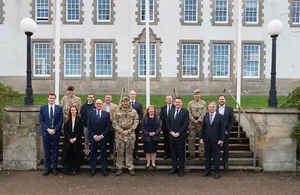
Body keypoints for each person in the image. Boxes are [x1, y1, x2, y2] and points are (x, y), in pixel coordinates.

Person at [113, 95, 139, 176]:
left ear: (129, 102)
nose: (125, 103)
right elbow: (114, 122)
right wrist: (121, 130)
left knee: (129, 151)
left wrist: (129, 131)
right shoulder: (117, 111)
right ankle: (119, 167)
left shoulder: (133, 111)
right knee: (120, 151)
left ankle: (130, 167)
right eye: (124, 101)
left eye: (126, 101)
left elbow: (136, 122)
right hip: (120, 135)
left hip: (130, 134)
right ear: (122, 102)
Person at [39, 93, 63, 176]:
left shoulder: (59, 108)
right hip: (46, 132)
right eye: (50, 98)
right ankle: (47, 168)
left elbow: (61, 120)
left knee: (55, 151)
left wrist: (55, 129)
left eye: (53, 98)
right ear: (47, 98)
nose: (52, 99)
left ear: (55, 99)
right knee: (47, 151)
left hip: (55, 132)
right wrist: (48, 129)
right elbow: (41, 120)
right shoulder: (43, 108)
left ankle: (54, 167)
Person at [200, 102, 225, 179]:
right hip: (207, 140)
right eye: (210, 107)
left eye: (213, 107)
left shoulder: (220, 117)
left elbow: (222, 129)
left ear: (215, 108)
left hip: (216, 140)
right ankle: (207, 170)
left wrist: (221, 139)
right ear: (208, 108)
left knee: (216, 157)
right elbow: (203, 129)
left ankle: (217, 172)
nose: (211, 108)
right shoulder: (205, 117)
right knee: (207, 156)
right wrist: (201, 138)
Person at [166, 97, 189, 177]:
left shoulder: (185, 112)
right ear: (174, 103)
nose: (177, 103)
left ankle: (181, 169)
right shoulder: (171, 111)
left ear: (181, 103)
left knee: (181, 153)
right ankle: (174, 167)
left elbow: (185, 124)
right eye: (176, 102)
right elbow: (167, 123)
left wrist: (179, 132)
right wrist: (171, 131)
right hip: (172, 135)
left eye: (179, 102)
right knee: (173, 152)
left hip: (181, 136)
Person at [88, 99, 111, 176]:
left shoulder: (106, 114)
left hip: (103, 137)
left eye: (100, 103)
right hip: (93, 137)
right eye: (97, 103)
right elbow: (89, 126)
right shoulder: (90, 114)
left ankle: (104, 169)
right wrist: (94, 135)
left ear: (102, 105)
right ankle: (93, 169)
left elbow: (108, 126)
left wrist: (101, 135)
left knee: (103, 153)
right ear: (95, 104)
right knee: (93, 153)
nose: (98, 105)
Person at [61, 106, 84, 175]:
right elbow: (65, 130)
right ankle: (68, 168)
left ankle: (74, 169)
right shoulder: (67, 119)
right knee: (68, 154)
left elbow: (81, 130)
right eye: (72, 110)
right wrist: (69, 138)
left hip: (76, 140)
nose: (73, 111)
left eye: (74, 110)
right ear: (70, 111)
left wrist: (75, 138)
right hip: (68, 140)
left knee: (75, 154)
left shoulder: (79, 119)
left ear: (76, 111)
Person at [187, 89, 207, 160]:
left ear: (200, 95)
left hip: (200, 123)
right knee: (191, 139)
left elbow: (204, 112)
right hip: (192, 123)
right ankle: (192, 154)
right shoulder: (190, 103)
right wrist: (193, 120)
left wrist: (199, 120)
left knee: (201, 139)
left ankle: (201, 154)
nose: (197, 95)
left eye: (198, 94)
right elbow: (188, 113)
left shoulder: (204, 103)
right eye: (195, 94)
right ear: (193, 95)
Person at [217, 95, 234, 171]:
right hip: (216, 132)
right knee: (215, 148)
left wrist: (228, 130)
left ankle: (225, 162)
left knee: (225, 148)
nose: (221, 100)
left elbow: (231, 121)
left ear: (225, 100)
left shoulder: (229, 109)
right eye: (220, 99)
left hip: (226, 132)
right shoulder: (215, 108)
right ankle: (215, 162)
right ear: (218, 100)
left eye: (222, 99)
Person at [142, 105, 161, 170]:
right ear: (148, 111)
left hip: (155, 137)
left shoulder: (158, 118)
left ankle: (153, 163)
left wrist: (155, 133)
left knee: (154, 150)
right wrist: (148, 133)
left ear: (154, 110)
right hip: (147, 137)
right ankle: (148, 163)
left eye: (152, 109)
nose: (151, 111)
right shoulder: (144, 118)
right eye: (150, 109)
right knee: (147, 151)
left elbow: (160, 127)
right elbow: (142, 127)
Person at [102, 94, 118, 160]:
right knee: (103, 141)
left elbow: (117, 115)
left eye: (109, 98)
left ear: (111, 99)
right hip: (103, 127)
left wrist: (111, 118)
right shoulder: (101, 105)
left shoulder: (115, 106)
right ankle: (103, 154)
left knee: (111, 141)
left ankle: (111, 153)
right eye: (107, 98)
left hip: (112, 127)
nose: (108, 99)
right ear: (105, 99)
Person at [129, 90, 144, 160]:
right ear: (129, 95)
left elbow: (141, 114)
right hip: (127, 127)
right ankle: (128, 155)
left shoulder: (139, 105)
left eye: (133, 94)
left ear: (135, 95)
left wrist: (135, 121)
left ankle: (135, 154)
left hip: (136, 126)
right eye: (131, 94)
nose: (132, 95)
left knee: (135, 140)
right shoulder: (125, 103)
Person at [80, 93, 96, 157]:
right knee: (86, 140)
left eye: (91, 97)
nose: (90, 98)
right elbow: (82, 115)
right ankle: (87, 152)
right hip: (86, 126)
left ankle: (93, 152)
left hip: (94, 127)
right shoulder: (83, 106)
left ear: (93, 98)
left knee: (93, 140)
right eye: (89, 97)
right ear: (87, 98)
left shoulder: (95, 106)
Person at [160, 95, 175, 159]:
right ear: (166, 100)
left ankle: (173, 154)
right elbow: (161, 116)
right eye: (167, 99)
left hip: (173, 127)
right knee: (166, 141)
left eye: (170, 99)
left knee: (173, 141)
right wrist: (167, 121)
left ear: (172, 100)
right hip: (165, 127)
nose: (169, 100)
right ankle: (167, 154)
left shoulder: (175, 107)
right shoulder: (163, 108)